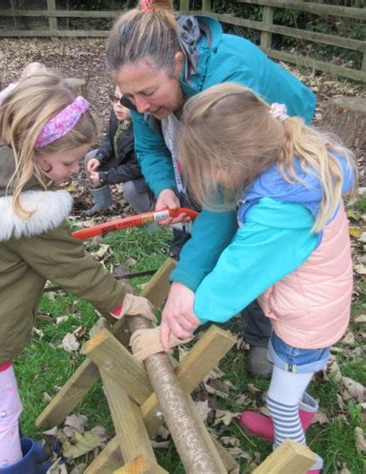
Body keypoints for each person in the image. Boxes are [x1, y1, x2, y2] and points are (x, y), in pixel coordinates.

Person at [0, 74, 156, 474]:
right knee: (5, 408)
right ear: (33, 149)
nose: (74, 170)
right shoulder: (26, 207)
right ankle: (9, 466)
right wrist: (121, 300)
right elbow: (70, 264)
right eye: (67, 162)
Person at [130, 83, 356, 474]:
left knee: (283, 394)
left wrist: (169, 333)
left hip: (307, 319)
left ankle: (302, 463)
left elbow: (236, 275)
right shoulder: (281, 167)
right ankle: (297, 417)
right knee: (281, 365)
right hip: (304, 306)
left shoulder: (280, 210)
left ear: (230, 162)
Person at [105, 0, 317, 377]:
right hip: (211, 157)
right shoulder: (144, 92)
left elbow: (225, 201)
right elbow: (150, 145)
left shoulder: (232, 70)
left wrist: (187, 282)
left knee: (248, 233)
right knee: (200, 229)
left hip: (264, 151)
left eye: (147, 93)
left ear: (175, 62)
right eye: (129, 97)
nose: (138, 105)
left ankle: (262, 335)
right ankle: (202, 295)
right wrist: (165, 187)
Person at [83, 85, 154, 216]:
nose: (118, 105)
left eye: (124, 101)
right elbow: (110, 139)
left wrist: (105, 177)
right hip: (123, 158)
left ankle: (149, 217)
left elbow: (136, 168)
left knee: (130, 189)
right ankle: (103, 204)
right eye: (115, 99)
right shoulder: (118, 115)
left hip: (143, 170)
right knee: (91, 157)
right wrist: (100, 157)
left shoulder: (143, 127)